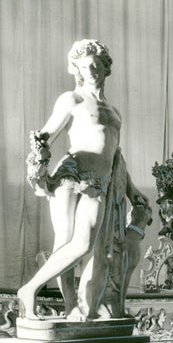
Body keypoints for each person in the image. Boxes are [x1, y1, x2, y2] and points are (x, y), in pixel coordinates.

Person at [18, 39, 151, 321]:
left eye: (95, 64)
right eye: (84, 66)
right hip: (71, 176)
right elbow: (45, 136)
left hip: (99, 184)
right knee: (69, 243)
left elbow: (116, 157)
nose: (90, 70)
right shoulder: (72, 99)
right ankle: (53, 300)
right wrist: (39, 155)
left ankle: (68, 303)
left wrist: (131, 190)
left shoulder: (115, 112)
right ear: (76, 69)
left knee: (89, 246)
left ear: (106, 66)